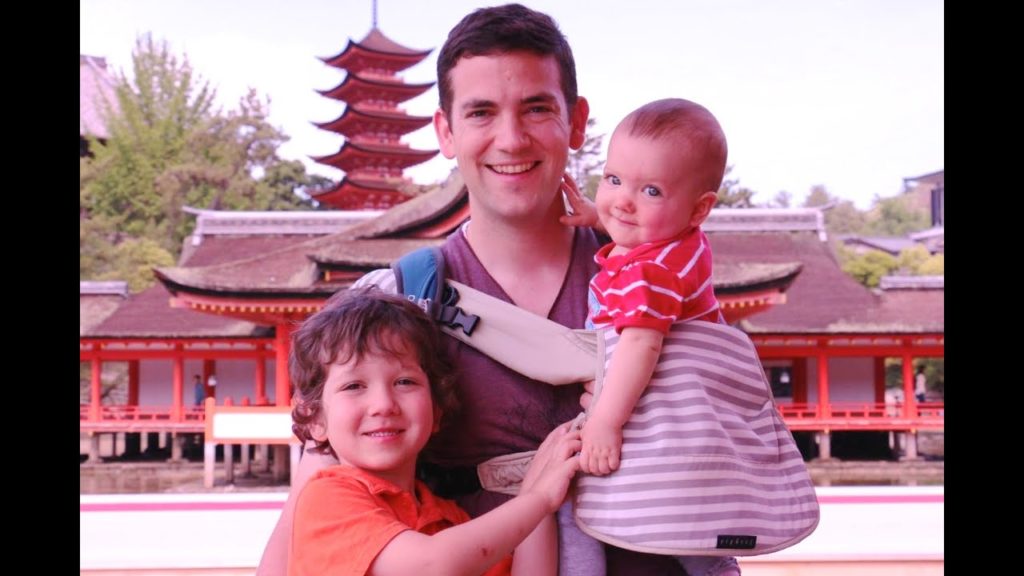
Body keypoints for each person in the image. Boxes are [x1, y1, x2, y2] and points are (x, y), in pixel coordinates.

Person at [259, 4, 686, 574]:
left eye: (536, 108)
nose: (510, 139)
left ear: (577, 121)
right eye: (481, 113)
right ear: (446, 131)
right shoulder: (396, 300)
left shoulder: (662, 285)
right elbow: (305, 519)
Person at [559, 98, 740, 575]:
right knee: (693, 524)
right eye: (614, 180)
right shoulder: (681, 244)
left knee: (566, 491)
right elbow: (641, 220)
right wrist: (597, 217)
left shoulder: (649, 271)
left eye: (651, 190)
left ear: (699, 208)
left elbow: (641, 344)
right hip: (692, 421)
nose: (622, 201)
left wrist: (603, 421)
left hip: (651, 414)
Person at [287, 287, 581, 576]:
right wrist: (538, 499)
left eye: (404, 382)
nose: (383, 405)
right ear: (315, 418)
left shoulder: (450, 521)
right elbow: (430, 566)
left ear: (436, 411)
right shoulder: (328, 499)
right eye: (354, 386)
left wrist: (535, 497)